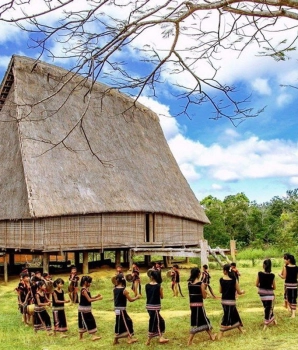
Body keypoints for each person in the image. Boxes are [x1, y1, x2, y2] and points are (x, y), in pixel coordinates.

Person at [187, 267, 216, 345]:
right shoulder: (201, 284)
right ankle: (189, 341)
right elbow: (204, 296)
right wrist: (205, 292)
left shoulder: (189, 284)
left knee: (204, 320)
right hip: (199, 306)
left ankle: (212, 336)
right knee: (196, 323)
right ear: (198, 274)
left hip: (192, 305)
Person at [218, 264, 245, 340]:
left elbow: (220, 291)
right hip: (231, 301)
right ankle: (220, 333)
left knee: (234, 314)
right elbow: (239, 292)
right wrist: (242, 292)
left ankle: (241, 330)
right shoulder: (234, 279)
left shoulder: (221, 279)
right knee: (226, 317)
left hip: (224, 301)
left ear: (225, 271)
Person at [113, 273, 140, 345]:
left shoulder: (115, 289)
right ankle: (117, 338)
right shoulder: (124, 290)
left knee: (120, 323)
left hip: (117, 309)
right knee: (127, 322)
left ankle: (128, 338)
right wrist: (137, 297)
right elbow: (130, 300)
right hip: (121, 310)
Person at [145, 270, 169, 345]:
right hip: (155, 307)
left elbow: (148, 295)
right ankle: (157, 338)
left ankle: (157, 337)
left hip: (149, 306)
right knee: (156, 322)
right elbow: (161, 297)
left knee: (160, 321)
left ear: (151, 277)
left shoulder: (147, 286)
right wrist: (161, 290)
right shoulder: (159, 286)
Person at [78, 275, 103, 341]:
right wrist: (98, 298)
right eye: (89, 282)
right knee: (83, 323)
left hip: (87, 309)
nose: (90, 284)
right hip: (83, 309)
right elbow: (89, 300)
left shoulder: (87, 289)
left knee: (91, 321)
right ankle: (81, 337)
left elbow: (90, 298)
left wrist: (96, 296)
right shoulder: (83, 290)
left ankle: (93, 336)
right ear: (85, 282)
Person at [256, 258, 276, 330]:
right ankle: (267, 322)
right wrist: (269, 287)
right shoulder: (272, 275)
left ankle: (271, 320)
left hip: (262, 294)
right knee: (268, 308)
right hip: (270, 294)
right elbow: (274, 287)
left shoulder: (260, 274)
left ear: (264, 266)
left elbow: (256, 284)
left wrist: (262, 286)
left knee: (267, 307)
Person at [278, 253, 298, 318]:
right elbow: (297, 277)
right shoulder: (296, 267)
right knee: (294, 298)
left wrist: (279, 275)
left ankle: (290, 310)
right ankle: (293, 313)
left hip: (288, 285)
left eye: (285, 259)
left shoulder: (286, 267)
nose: (284, 260)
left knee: (288, 298)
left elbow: (284, 277)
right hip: (295, 285)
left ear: (288, 260)